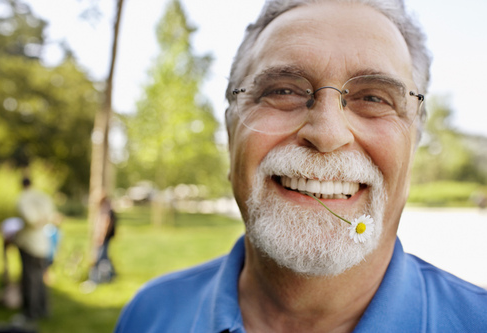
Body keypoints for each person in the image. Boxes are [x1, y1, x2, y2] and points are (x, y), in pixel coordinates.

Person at [115, 1, 487, 332]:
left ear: (413, 148)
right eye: (283, 91)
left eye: (374, 98)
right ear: (231, 137)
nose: (327, 134)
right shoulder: (149, 315)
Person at [14, 177, 54, 321]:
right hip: (43, 243)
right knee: (39, 277)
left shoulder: (23, 199)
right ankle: (43, 309)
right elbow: (49, 215)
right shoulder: (42, 197)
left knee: (29, 278)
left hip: (30, 245)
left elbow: (30, 219)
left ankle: (31, 311)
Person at [89, 195, 117, 284]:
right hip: (103, 237)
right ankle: (111, 275)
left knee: (100, 258)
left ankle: (96, 279)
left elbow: (106, 223)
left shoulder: (105, 209)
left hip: (102, 238)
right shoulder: (106, 208)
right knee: (105, 257)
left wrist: (101, 236)